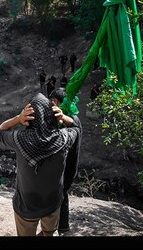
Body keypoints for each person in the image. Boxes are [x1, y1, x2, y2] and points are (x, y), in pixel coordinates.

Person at [0, 93, 81, 236]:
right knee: (49, 233)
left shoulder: (20, 139)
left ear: (30, 118)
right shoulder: (63, 139)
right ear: (52, 115)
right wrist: (63, 117)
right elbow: (77, 128)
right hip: (52, 203)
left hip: (26, 206)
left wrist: (18, 118)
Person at [49, 88, 83, 234]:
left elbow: (70, 131)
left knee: (60, 195)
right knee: (62, 195)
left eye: (54, 102)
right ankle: (62, 227)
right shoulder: (70, 118)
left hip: (67, 166)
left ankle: (59, 228)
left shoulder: (72, 120)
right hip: (65, 165)